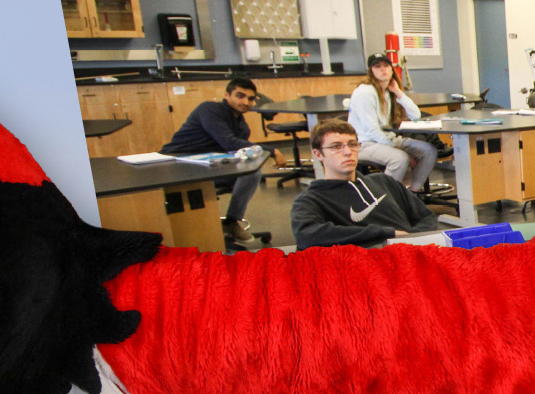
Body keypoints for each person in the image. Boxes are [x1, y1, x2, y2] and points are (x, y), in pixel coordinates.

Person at [292, 119, 438, 249]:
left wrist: (410, 240)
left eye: (352, 144)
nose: (347, 152)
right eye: (336, 146)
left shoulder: (384, 181)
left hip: (412, 255)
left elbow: (426, 217)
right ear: (318, 154)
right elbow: (307, 236)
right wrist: (386, 234)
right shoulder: (310, 200)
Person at [162, 78, 267, 248]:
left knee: (252, 171)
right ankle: (196, 236)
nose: (245, 102)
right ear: (227, 95)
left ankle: (232, 221)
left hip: (208, 165)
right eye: (240, 96)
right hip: (178, 162)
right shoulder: (209, 109)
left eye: (250, 98)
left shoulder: (241, 125)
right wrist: (271, 150)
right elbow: (229, 142)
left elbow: (237, 151)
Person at [347, 53, 437, 192]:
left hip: (386, 139)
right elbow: (372, 131)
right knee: (399, 158)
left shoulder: (388, 91)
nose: (383, 69)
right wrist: (398, 148)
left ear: (391, 69)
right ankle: (384, 198)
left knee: (428, 150)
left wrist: (398, 92)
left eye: (386, 66)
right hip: (364, 143)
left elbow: (415, 115)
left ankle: (413, 193)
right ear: (371, 71)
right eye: (377, 66)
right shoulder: (365, 92)